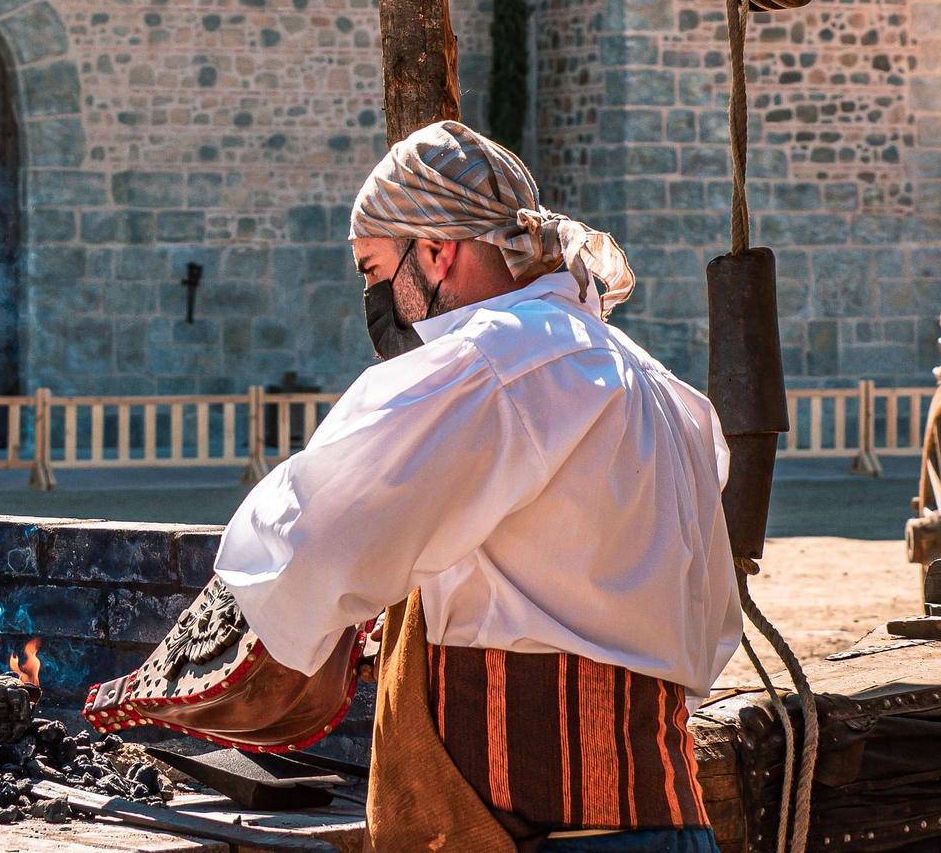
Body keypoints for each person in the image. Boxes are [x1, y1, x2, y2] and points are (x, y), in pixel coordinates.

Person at [215, 120, 741, 853]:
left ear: (436, 250)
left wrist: (217, 655)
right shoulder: (661, 388)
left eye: (372, 270)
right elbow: (711, 633)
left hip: (540, 833)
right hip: (668, 824)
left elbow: (315, 541)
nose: (372, 297)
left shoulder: (494, 363)